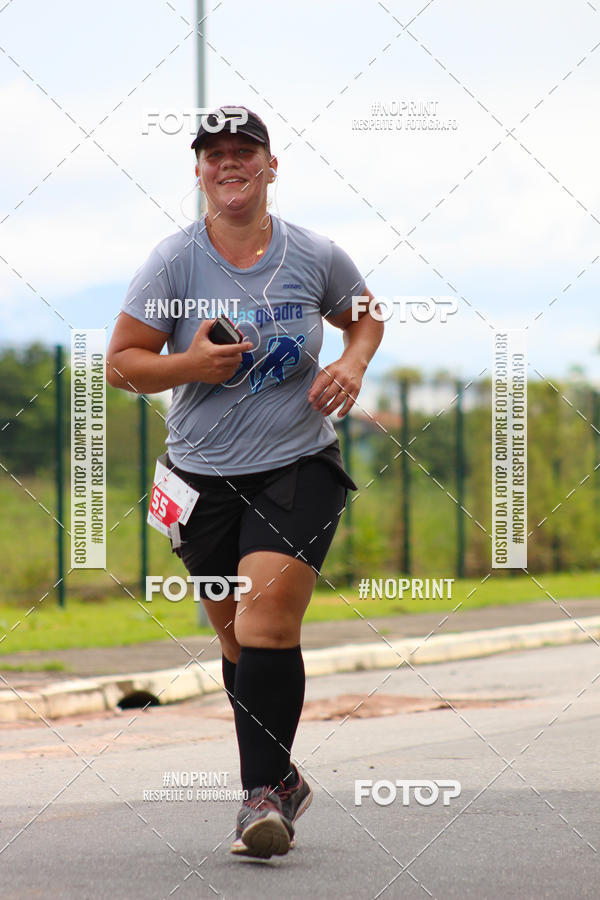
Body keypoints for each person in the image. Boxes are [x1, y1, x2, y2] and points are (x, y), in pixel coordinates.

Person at [106, 106, 384, 859]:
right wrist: (189, 365)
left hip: (298, 464)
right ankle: (282, 777)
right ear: (198, 170)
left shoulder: (314, 253)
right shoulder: (172, 262)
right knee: (234, 641)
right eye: (215, 153)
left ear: (270, 165)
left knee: (266, 624)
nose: (231, 164)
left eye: (245, 152)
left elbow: (364, 317)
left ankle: (260, 799)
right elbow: (123, 363)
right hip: (197, 476)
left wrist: (351, 364)